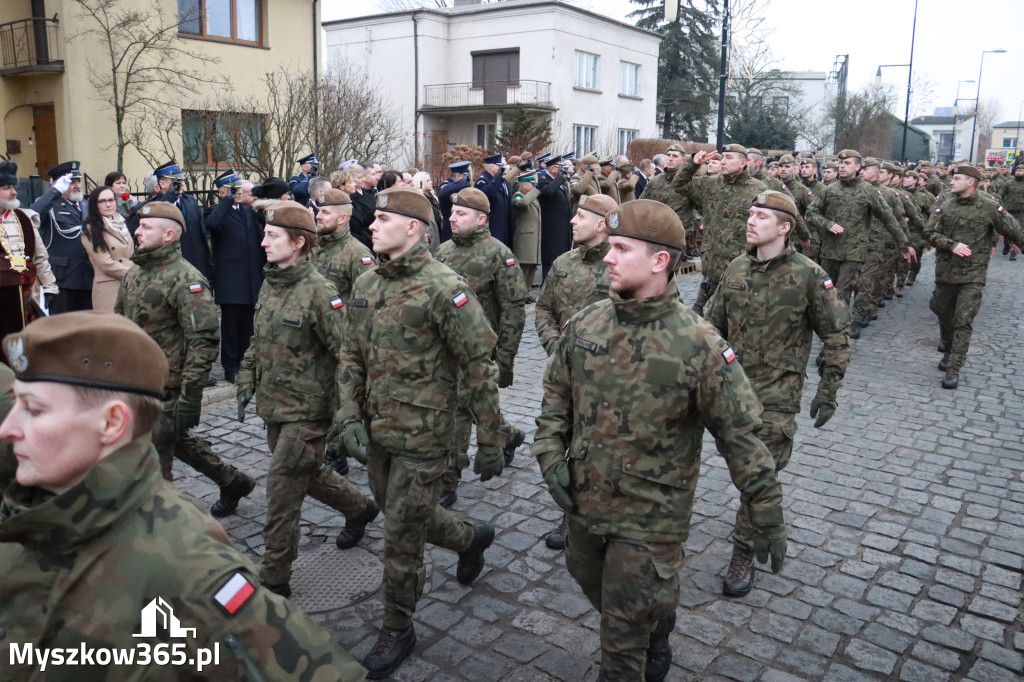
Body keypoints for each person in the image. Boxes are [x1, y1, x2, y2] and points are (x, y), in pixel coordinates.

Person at [0, 311, 368, 682]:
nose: (8, 427)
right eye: (15, 403)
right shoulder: (28, 520)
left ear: (112, 423)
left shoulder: (189, 576)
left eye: (33, 409)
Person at [531, 199, 787, 682]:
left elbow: (741, 437)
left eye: (621, 248)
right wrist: (549, 453)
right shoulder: (587, 323)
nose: (607, 257)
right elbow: (555, 396)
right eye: (609, 247)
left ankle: (644, 622)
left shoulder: (699, 343)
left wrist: (766, 509)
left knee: (621, 637)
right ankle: (656, 616)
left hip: (652, 515)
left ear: (660, 261)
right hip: (586, 499)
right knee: (588, 579)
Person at [331, 187, 506, 679]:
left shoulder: (443, 287)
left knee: (402, 528)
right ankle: (471, 539)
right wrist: (347, 417)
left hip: (428, 433)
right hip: (377, 428)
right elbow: (350, 357)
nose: (371, 224)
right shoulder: (367, 283)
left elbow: (478, 367)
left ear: (413, 228)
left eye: (382, 218)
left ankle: (397, 624)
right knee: (401, 511)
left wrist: (491, 438)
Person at [706, 191, 850, 596]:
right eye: (750, 213)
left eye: (762, 216)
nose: (751, 221)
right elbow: (709, 326)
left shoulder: (808, 275)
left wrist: (829, 386)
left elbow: (836, 334)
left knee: (759, 477)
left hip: (776, 398)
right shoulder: (736, 268)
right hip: (727, 389)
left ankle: (742, 552)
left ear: (784, 227)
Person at [237, 200, 379, 597]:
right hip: (275, 406)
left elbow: (347, 354)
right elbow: (259, 337)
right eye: (264, 234)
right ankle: (359, 508)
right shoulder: (271, 281)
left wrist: (350, 411)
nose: (263, 241)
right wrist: (247, 374)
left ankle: (275, 576)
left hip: (309, 413)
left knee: (281, 488)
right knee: (310, 474)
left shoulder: (320, 293)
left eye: (271, 236)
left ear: (298, 243)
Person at [116, 201, 255, 517]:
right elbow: (121, 327)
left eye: (145, 227)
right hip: (139, 386)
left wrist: (190, 397)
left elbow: (203, 341)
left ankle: (162, 533)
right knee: (175, 441)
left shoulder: (186, 280)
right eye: (138, 225)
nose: (136, 231)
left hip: (170, 388)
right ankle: (232, 481)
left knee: (155, 462)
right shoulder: (134, 274)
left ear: (168, 235)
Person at [434, 187, 528, 508]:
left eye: (461, 213)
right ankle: (508, 434)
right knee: (470, 405)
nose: (452, 217)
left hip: (477, 352)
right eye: (452, 212)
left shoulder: (499, 255)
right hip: (443, 349)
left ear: (481, 218)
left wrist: (506, 359)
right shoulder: (443, 250)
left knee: (459, 408)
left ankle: (448, 478)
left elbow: (514, 310)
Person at [533, 192, 615, 550]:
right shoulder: (564, 263)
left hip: (605, 379)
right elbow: (543, 309)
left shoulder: (617, 266)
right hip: (564, 376)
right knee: (563, 440)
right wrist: (556, 347)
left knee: (601, 449)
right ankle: (571, 517)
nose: (571, 221)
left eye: (579, 216)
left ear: (601, 224)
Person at [924, 164, 1024, 389]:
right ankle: (949, 350)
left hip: (973, 274)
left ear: (971, 182)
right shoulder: (946, 205)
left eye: (956, 178)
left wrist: (1017, 243)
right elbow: (929, 232)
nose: (951, 182)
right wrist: (951, 245)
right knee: (942, 312)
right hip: (946, 273)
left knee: (963, 320)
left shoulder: (989, 206)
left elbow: (1014, 230)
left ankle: (954, 367)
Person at [806, 150, 914, 339]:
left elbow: (889, 218)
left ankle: (838, 338)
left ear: (857, 167)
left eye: (847, 163)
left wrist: (904, 244)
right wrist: (827, 224)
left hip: (853, 253)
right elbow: (811, 213)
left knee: (843, 294)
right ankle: (829, 328)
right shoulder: (829, 190)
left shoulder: (868, 191)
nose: (842, 166)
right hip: (830, 252)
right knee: (827, 294)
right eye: (840, 163)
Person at [669, 145, 771, 315]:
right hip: (712, 259)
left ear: (743, 162)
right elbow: (678, 184)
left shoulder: (759, 189)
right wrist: (693, 164)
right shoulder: (710, 185)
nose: (723, 161)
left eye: (729, 158)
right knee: (707, 313)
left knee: (735, 312)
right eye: (722, 157)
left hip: (742, 263)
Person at [205, 176, 265, 384]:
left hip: (250, 279)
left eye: (240, 189)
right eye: (233, 189)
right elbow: (212, 225)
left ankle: (245, 363)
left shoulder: (248, 212)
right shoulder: (218, 212)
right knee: (231, 327)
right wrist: (226, 201)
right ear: (223, 191)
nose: (238, 192)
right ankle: (231, 366)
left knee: (248, 327)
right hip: (231, 281)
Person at [30, 160, 93, 313]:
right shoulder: (50, 205)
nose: (77, 185)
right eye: (71, 182)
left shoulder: (86, 205)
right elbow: (34, 213)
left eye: (78, 181)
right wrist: (55, 192)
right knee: (64, 329)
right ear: (59, 184)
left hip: (88, 277)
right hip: (63, 280)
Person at [0, 160, 48, 345]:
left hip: (25, 295)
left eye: (13, 187)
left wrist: (50, 287)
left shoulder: (22, 217)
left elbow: (38, 255)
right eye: (6, 187)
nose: (13, 192)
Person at [149, 160, 215, 282]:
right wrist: (170, 198)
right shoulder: (153, 206)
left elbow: (201, 235)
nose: (181, 184)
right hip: (172, 271)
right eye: (176, 181)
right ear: (162, 183)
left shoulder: (190, 201)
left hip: (197, 268)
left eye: (182, 180)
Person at [81, 186, 134, 312]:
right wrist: (135, 275)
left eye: (111, 200)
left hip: (130, 285)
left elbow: (131, 254)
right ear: (95, 205)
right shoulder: (90, 230)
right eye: (102, 201)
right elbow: (106, 263)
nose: (108, 204)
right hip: (109, 288)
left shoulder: (121, 223)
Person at [538, 155, 573, 279]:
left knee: (561, 261)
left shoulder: (561, 182)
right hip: (551, 231)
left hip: (563, 230)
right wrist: (559, 178)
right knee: (550, 264)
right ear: (553, 168)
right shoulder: (544, 180)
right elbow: (547, 192)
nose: (562, 169)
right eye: (560, 167)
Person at [511, 170, 543, 290]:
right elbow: (522, 204)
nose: (533, 186)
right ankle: (521, 292)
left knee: (532, 266)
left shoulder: (532, 197)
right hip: (524, 239)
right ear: (523, 184)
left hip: (534, 237)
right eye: (531, 183)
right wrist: (535, 190)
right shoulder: (518, 195)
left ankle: (527, 290)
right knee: (524, 268)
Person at [475, 154, 512, 245]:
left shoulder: (501, 180)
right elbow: (488, 194)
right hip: (492, 228)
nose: (504, 168)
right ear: (492, 167)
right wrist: (499, 176)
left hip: (504, 227)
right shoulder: (482, 181)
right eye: (501, 166)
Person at [438, 160, 471, 243]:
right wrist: (464, 181)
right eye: (465, 175)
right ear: (458, 177)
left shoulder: (456, 185)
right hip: (449, 226)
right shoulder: (445, 185)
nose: (468, 179)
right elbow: (443, 194)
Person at [411, 171, 443, 253]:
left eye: (430, 180)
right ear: (420, 182)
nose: (431, 182)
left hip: (438, 230)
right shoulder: (418, 198)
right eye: (428, 181)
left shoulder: (434, 198)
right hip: (428, 234)